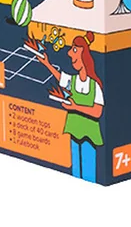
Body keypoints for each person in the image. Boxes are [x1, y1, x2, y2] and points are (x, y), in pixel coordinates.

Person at [37, 31, 104, 183]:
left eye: (74, 50)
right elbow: (60, 77)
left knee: (89, 170)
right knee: (76, 170)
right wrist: (46, 63)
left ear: (84, 55)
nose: (69, 53)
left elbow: (97, 111)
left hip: (89, 134)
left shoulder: (94, 86)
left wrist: (75, 107)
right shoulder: (72, 81)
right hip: (74, 130)